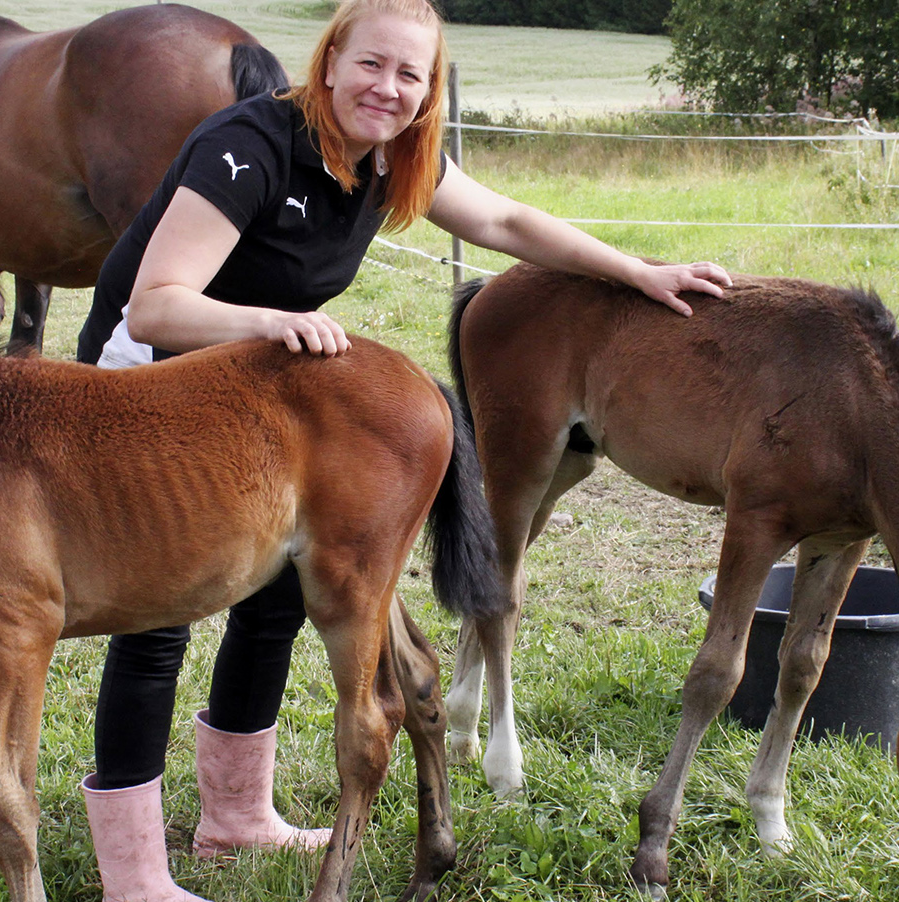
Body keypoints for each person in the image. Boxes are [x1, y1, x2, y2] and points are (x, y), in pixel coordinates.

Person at [74, 1, 733, 898]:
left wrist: (637, 272)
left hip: (257, 392)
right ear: (332, 58)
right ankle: (133, 875)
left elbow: (504, 222)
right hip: (149, 384)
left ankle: (233, 818)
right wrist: (277, 322)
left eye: (411, 75)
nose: (389, 88)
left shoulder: (390, 158)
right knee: (157, 622)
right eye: (373, 65)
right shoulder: (250, 146)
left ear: (429, 90)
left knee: (273, 599)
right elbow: (155, 305)